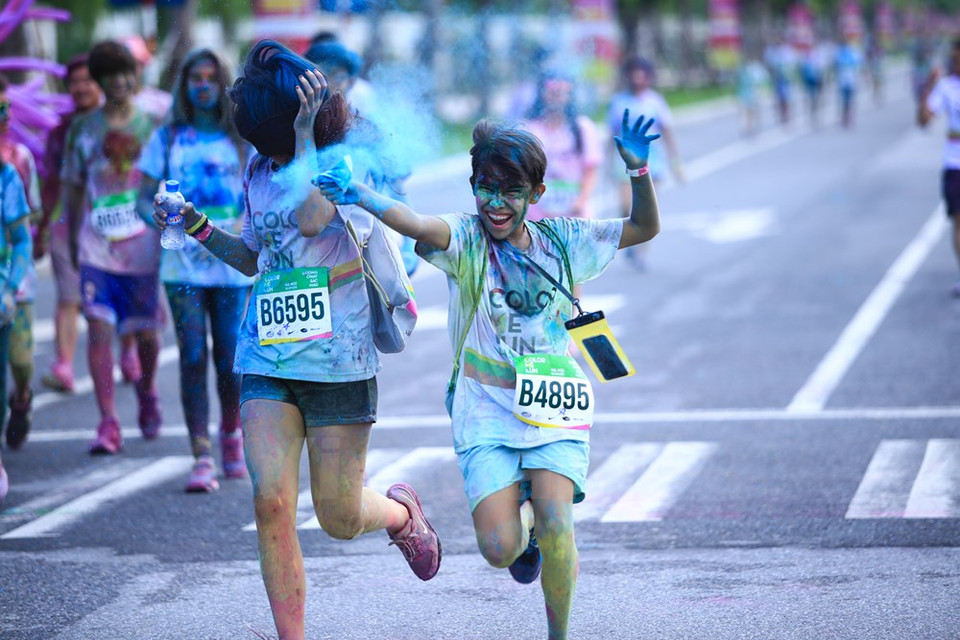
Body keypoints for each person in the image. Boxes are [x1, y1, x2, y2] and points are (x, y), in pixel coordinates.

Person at [317, 109, 661, 640]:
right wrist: (358, 193)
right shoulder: (466, 239)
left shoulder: (565, 240)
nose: (496, 203)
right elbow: (414, 222)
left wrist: (638, 172)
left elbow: (643, 227)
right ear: (473, 186)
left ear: (537, 192)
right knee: (499, 549)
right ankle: (527, 537)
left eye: (510, 191)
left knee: (557, 520)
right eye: (486, 188)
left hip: (554, 408)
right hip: (485, 411)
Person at [152, 41, 440, 639]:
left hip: (338, 359)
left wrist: (306, 140)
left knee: (337, 517)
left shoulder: (341, 161)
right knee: (271, 504)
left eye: (263, 132)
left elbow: (311, 220)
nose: (255, 145)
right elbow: (253, 257)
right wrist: (195, 223)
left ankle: (399, 513)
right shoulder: (258, 167)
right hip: (267, 354)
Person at [137, 49, 253, 492]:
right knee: (190, 356)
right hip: (180, 265)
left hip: (230, 265)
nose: (202, 85)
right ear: (184, 86)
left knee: (229, 357)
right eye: (194, 78)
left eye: (210, 77)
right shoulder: (168, 138)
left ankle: (230, 437)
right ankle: (200, 454)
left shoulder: (241, 138)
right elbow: (143, 194)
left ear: (221, 84)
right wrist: (155, 214)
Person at [62, 40, 164, 455]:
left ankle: (147, 390)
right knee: (100, 329)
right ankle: (108, 421)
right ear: (100, 80)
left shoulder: (155, 122)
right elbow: (72, 187)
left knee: (147, 335)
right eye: (111, 75)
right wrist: (71, 240)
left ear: (135, 76)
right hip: (96, 248)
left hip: (143, 247)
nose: (119, 82)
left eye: (126, 73)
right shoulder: (83, 131)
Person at [303, 38, 421, 276]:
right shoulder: (301, 130)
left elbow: (396, 183)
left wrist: (409, 244)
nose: (327, 83)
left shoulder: (368, 129)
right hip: (319, 255)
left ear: (352, 81)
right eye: (320, 74)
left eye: (335, 75)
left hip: (372, 247)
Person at [37, 54, 103, 394]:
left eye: (86, 79)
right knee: (68, 295)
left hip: (112, 228)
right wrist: (42, 226)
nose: (79, 87)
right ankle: (63, 364)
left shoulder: (118, 125)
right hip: (68, 224)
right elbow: (50, 183)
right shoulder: (60, 133)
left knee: (105, 302)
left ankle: (133, 351)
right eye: (73, 81)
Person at [523, 70, 603, 301]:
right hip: (537, 213)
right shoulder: (530, 129)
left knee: (571, 273)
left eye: (562, 92)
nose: (557, 97)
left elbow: (591, 169)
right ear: (542, 93)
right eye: (552, 92)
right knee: (538, 272)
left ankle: (569, 325)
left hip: (573, 213)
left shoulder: (582, 128)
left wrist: (581, 200)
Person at [607, 56, 680, 270]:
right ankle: (630, 236)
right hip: (623, 161)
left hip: (652, 161)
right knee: (626, 205)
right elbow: (611, 133)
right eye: (633, 76)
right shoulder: (618, 101)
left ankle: (640, 252)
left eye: (642, 76)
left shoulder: (655, 101)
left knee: (647, 207)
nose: (637, 81)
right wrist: (605, 160)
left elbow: (667, 131)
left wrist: (676, 163)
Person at [0, 73, 40, 451]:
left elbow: (30, 221)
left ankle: (23, 397)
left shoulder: (17, 162)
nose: (5, 116)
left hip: (14, 281)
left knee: (20, 360)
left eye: (6, 107)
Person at [0, 143, 34, 500]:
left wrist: (10, 289)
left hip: (4, 297)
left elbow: (22, 239)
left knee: (19, 365)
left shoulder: (8, 173)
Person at [918, 37, 960, 297]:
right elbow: (924, 120)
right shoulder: (946, 87)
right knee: (959, 221)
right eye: (954, 59)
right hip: (955, 165)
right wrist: (928, 87)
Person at [835, 36, 863, 129]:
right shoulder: (846, 53)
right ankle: (848, 117)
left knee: (845, 101)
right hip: (848, 81)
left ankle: (846, 118)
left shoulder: (843, 53)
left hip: (846, 81)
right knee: (848, 100)